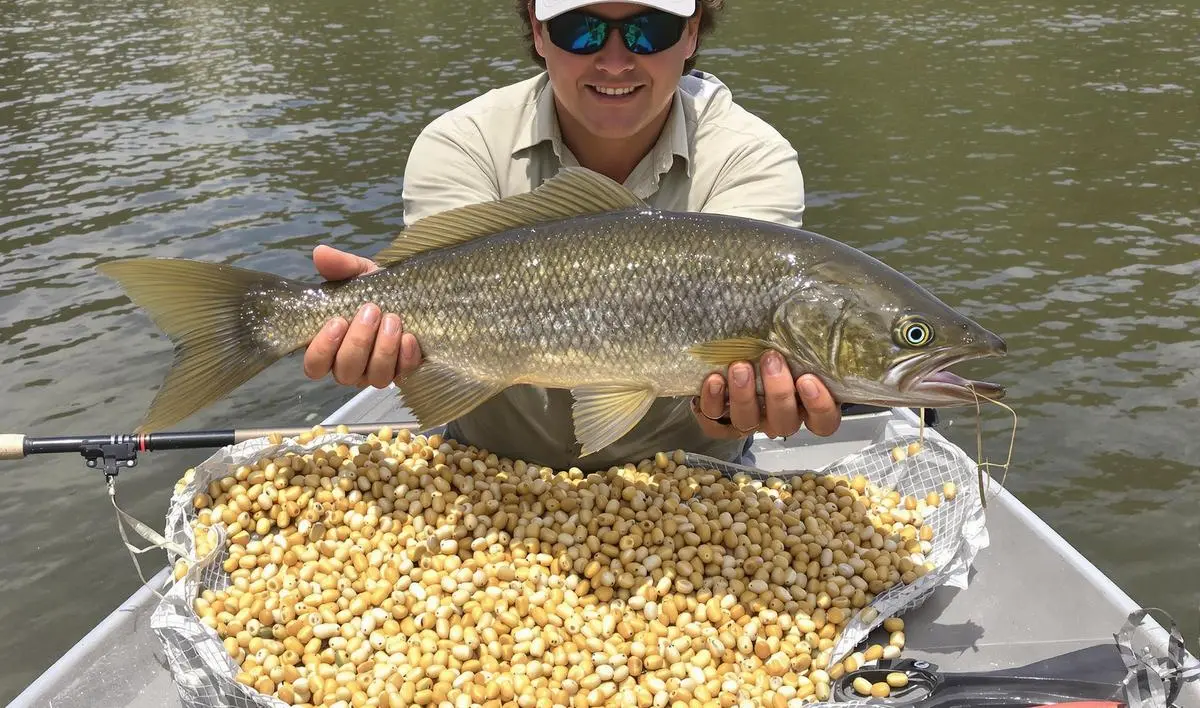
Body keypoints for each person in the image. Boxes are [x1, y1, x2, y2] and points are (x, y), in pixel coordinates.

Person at [301, 0, 843, 471]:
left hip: (693, 481)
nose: (613, 59)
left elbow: (738, 370)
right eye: (578, 30)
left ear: (692, 31)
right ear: (537, 31)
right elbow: (433, 285)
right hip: (485, 479)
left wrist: (730, 408)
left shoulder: (750, 158)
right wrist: (373, 325)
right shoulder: (462, 143)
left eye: (648, 29)